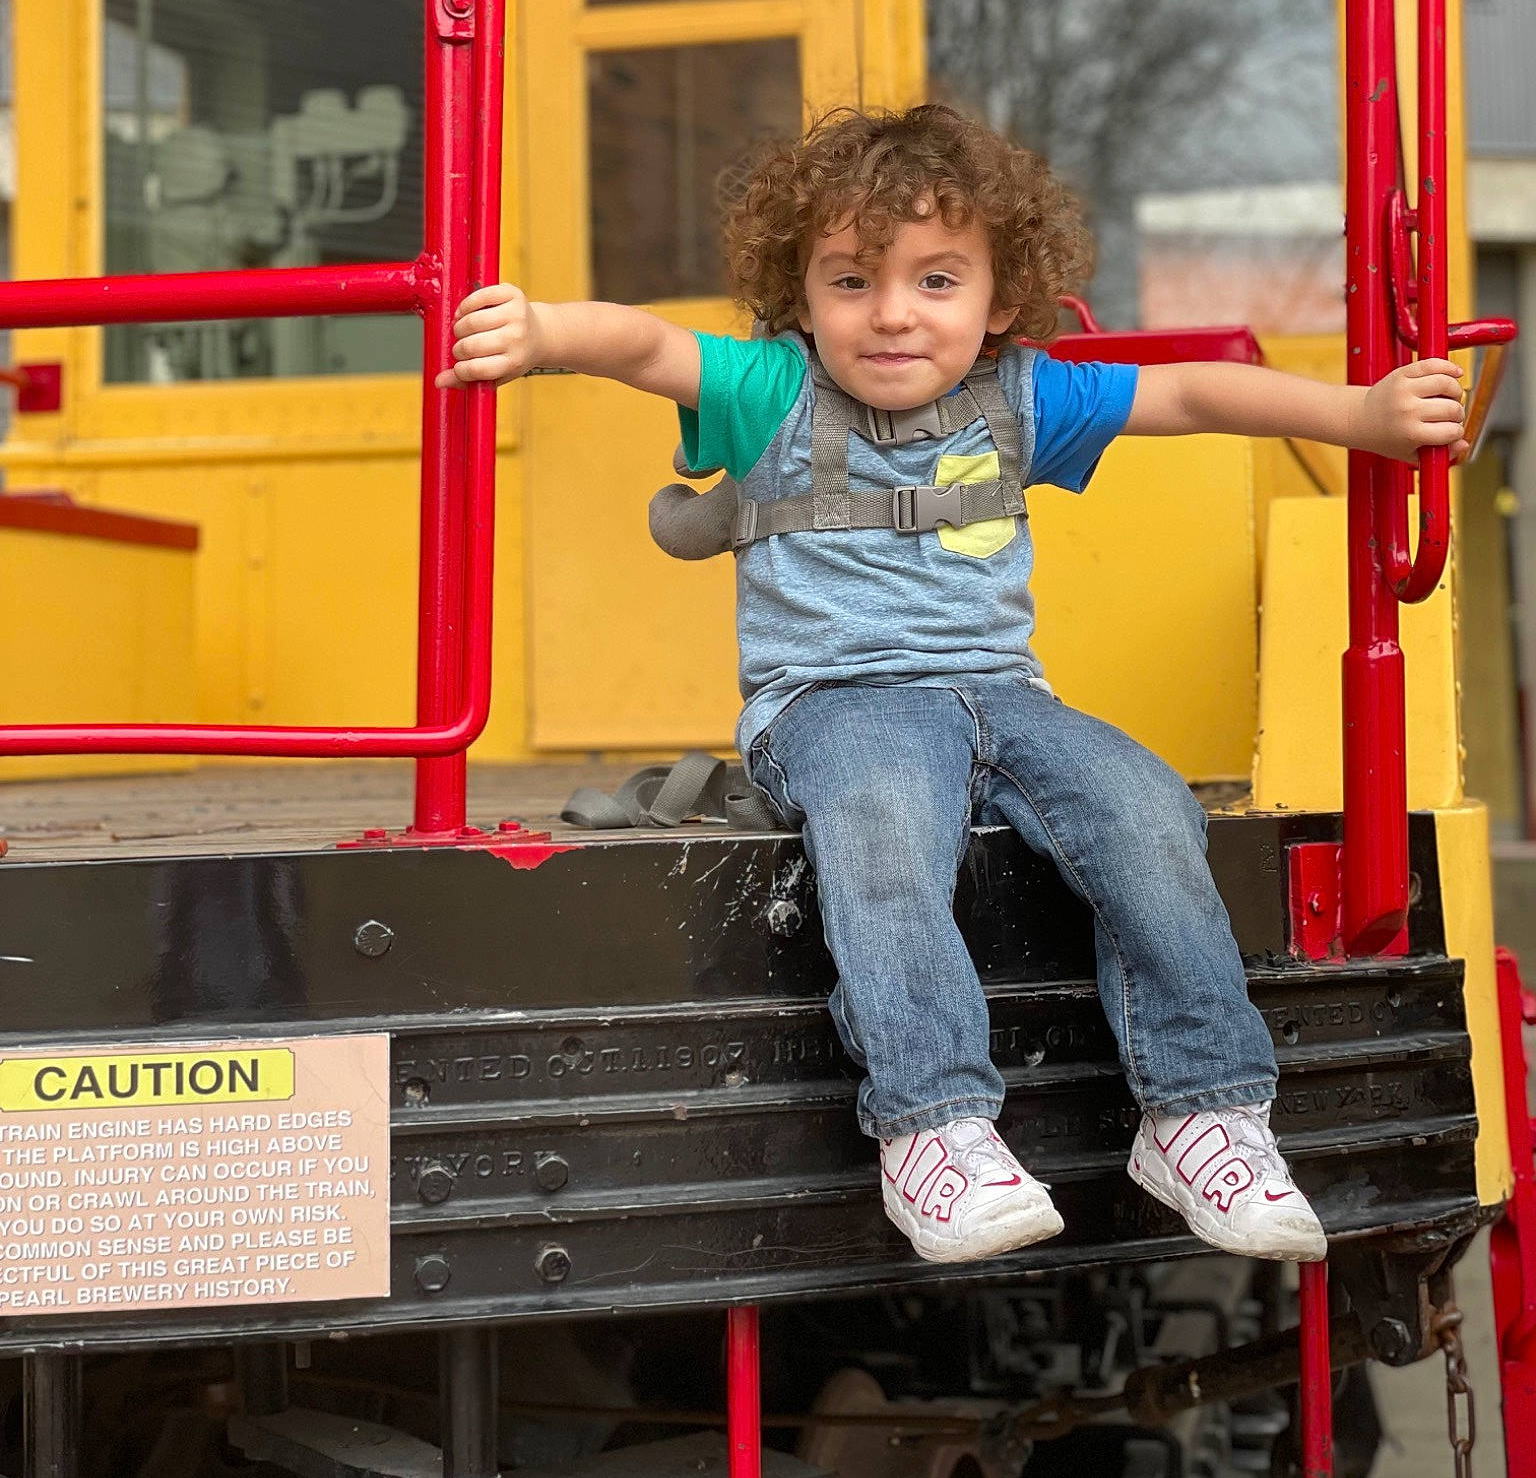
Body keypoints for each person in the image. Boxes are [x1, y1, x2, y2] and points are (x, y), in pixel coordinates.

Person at [438, 104, 1467, 1268]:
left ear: (1001, 299)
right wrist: (540, 328)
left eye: (936, 278)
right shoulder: (768, 389)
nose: (891, 312)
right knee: (882, 828)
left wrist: (1362, 417)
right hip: (832, 700)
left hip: (1000, 692)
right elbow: (640, 346)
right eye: (850, 280)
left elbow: (1191, 395)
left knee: (1145, 803)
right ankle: (934, 1129)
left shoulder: (1021, 396)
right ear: (800, 296)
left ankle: (1202, 1110)